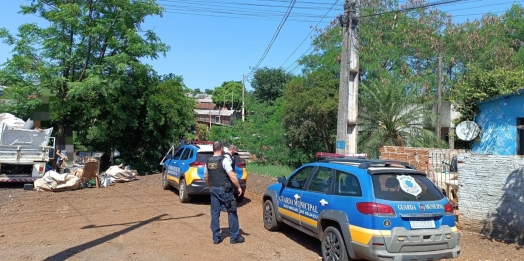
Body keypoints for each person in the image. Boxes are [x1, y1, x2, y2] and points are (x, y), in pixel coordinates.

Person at [204, 141, 245, 245]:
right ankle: (234, 237)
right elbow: (232, 176)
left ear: (214, 149)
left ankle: (216, 238)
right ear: (221, 148)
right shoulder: (224, 160)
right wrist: (239, 187)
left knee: (214, 213)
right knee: (232, 211)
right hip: (225, 190)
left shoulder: (208, 161)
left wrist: (210, 187)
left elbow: (206, 177)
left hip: (214, 189)